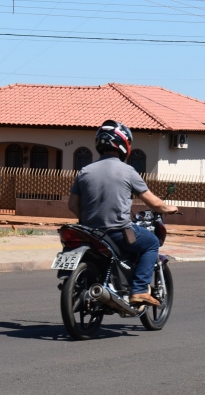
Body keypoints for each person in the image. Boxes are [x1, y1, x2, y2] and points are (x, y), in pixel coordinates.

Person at [67, 120, 178, 307]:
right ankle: (140, 289)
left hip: (89, 232)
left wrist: (87, 220)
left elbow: (72, 205)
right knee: (151, 243)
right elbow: (153, 202)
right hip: (117, 232)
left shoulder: (85, 171)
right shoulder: (128, 171)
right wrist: (169, 208)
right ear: (123, 144)